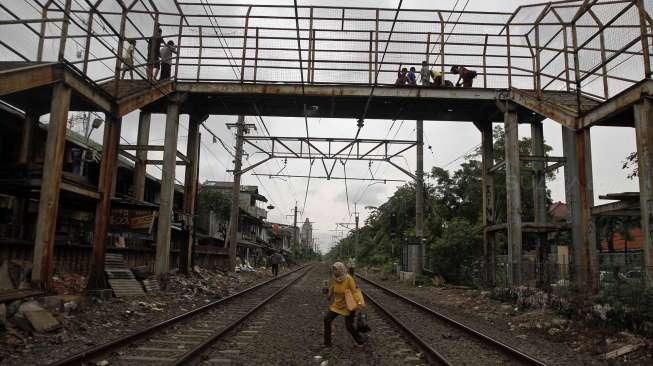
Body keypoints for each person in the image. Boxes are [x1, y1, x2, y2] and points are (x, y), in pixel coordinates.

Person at [323, 262, 365, 347]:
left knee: (349, 326)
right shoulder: (334, 279)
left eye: (336, 270)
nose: (334, 271)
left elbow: (354, 292)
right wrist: (328, 295)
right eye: (333, 269)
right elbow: (332, 288)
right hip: (337, 305)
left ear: (341, 269)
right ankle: (327, 343)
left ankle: (360, 340)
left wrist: (359, 303)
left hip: (348, 305)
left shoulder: (348, 278)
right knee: (327, 319)